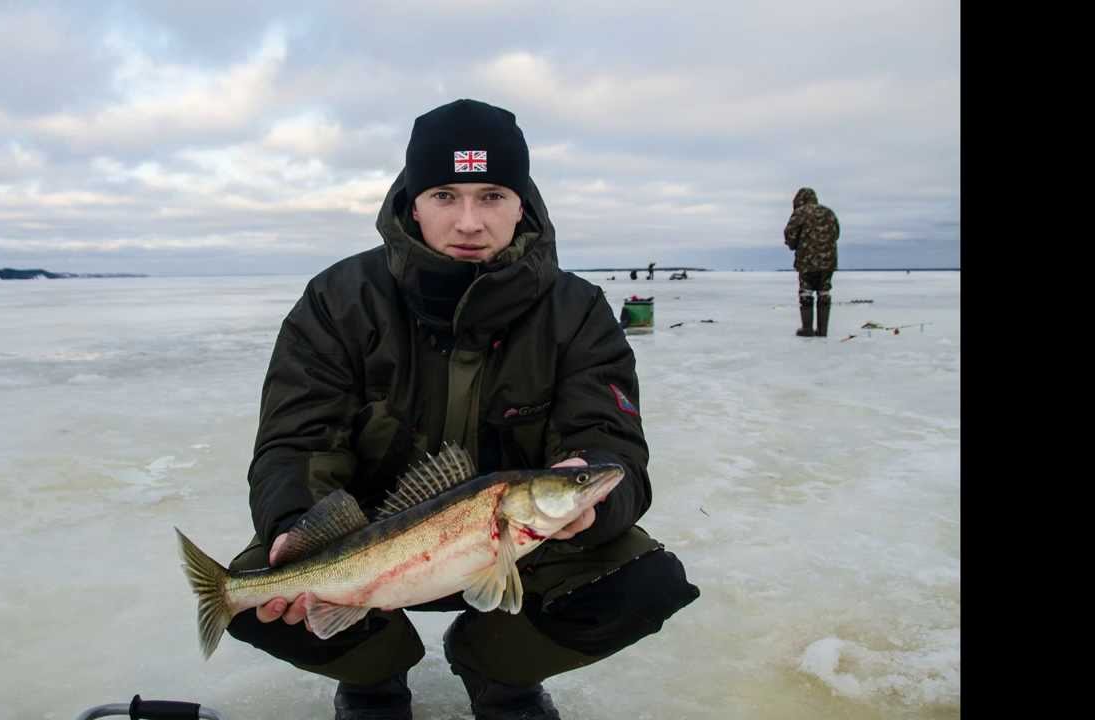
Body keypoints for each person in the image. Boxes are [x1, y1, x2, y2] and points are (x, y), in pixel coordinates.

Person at [226, 99, 700, 720]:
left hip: (520, 547)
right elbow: (296, 440)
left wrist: (593, 487)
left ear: (521, 202)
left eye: (492, 195)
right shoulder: (338, 300)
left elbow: (611, 440)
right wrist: (293, 522)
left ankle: (498, 668)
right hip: (374, 546)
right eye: (445, 195)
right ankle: (373, 677)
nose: (469, 222)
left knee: (643, 583)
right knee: (260, 585)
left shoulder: (577, 311)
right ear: (412, 202)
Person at [783, 187, 840, 337]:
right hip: (828, 261)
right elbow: (836, 233)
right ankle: (823, 331)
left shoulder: (800, 213)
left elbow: (790, 235)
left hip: (807, 262)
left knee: (806, 292)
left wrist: (793, 245)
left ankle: (807, 329)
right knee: (824, 291)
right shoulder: (829, 213)